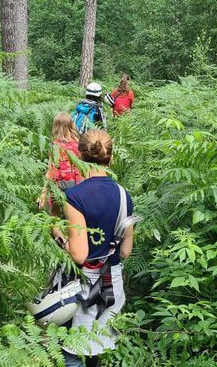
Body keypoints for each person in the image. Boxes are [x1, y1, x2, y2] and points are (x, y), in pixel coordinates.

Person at [61, 130, 135, 367]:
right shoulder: (125, 196)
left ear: (79, 157)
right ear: (110, 158)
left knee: (70, 349)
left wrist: (59, 237)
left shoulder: (73, 197)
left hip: (83, 287)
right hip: (111, 285)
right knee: (96, 345)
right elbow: (125, 251)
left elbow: (79, 254)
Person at [38, 113, 84, 231]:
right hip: (78, 183)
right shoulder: (79, 144)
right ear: (71, 125)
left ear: (56, 126)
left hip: (60, 184)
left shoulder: (55, 145)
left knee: (55, 215)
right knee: (75, 215)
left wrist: (44, 192)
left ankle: (57, 240)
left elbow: (51, 170)